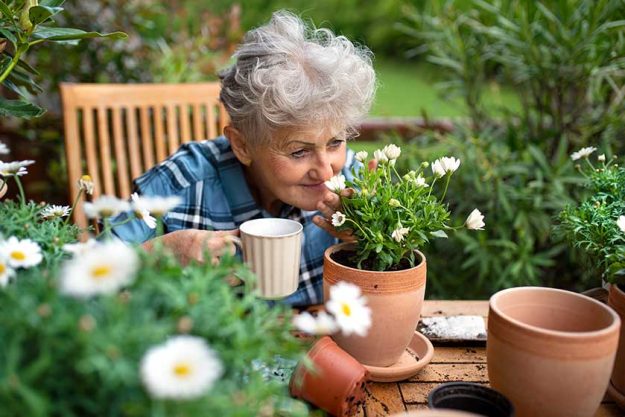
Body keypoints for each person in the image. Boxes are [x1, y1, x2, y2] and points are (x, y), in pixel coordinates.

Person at [112, 10, 376, 307]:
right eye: (299, 151)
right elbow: (72, 280)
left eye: (335, 142)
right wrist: (158, 255)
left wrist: (367, 238)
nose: (327, 171)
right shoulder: (183, 183)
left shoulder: (353, 184)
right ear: (242, 145)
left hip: (321, 346)